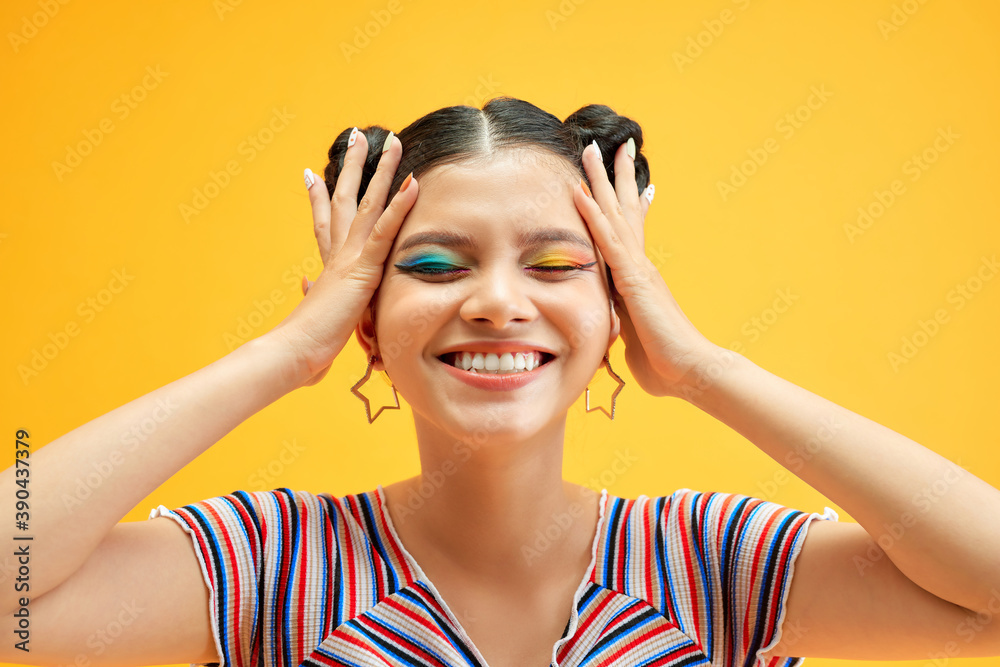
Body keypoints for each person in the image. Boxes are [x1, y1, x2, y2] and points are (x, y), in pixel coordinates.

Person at [2, 96, 998, 667]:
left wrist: (704, 369)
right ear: (369, 324)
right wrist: (286, 352)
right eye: (434, 266)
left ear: (619, 312)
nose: (493, 302)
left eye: (555, 266)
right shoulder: (273, 564)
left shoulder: (708, 562)